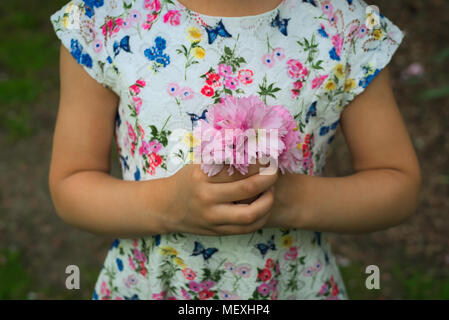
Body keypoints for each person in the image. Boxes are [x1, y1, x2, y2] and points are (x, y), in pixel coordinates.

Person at [48, 0, 421, 300]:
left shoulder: (346, 28)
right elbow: (71, 185)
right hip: (150, 285)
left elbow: (397, 186)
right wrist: (167, 207)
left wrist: (285, 199)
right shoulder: (106, 21)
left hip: (292, 283)